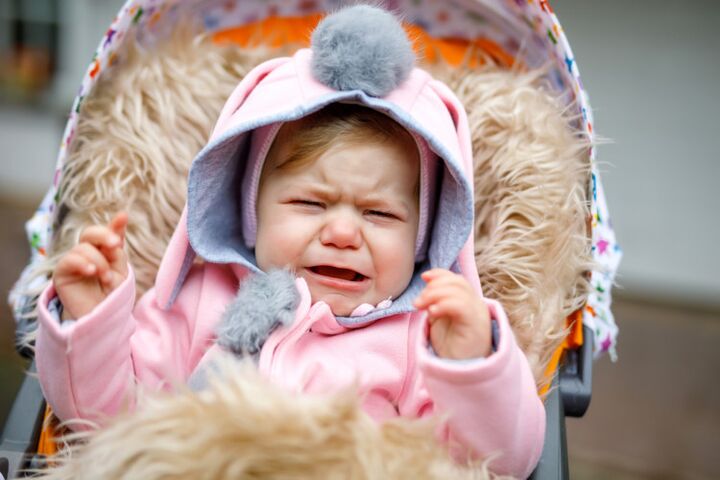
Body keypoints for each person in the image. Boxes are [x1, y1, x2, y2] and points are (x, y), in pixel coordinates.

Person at [35, 5, 544, 477]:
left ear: (424, 237)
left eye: (379, 213)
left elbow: (501, 462)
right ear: (250, 210)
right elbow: (107, 422)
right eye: (310, 204)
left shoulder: (420, 339)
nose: (343, 233)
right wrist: (90, 324)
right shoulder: (195, 302)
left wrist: (471, 364)